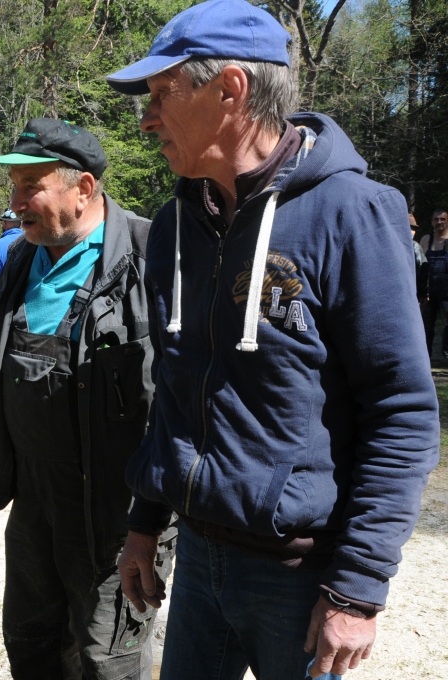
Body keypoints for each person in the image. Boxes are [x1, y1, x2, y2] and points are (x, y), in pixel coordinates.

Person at [105, 2, 440, 678]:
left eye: (163, 94)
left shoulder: (352, 213)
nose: (146, 118)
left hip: (302, 576)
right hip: (199, 561)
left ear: (229, 89)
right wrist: (145, 523)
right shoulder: (174, 228)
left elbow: (401, 410)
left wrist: (357, 587)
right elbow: (174, 387)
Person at [0, 118, 174, 680]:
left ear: (83, 188)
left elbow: (182, 394)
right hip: (35, 501)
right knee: (31, 641)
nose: (16, 203)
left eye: (30, 186)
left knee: (107, 660)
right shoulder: (20, 258)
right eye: (13, 187)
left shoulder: (149, 255)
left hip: (117, 510)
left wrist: (154, 517)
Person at [420, 209, 448, 358]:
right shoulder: (426, 240)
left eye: (442, 219)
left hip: (447, 290)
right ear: (432, 222)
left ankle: (446, 354)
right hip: (429, 288)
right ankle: (425, 357)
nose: (439, 222)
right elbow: (419, 264)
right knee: (426, 325)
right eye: (436, 219)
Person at [410, 214, 427, 307]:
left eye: (413, 228)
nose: (412, 231)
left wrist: (424, 294)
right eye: (409, 227)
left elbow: (422, 271)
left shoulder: (415, 246)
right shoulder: (414, 246)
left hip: (414, 292)